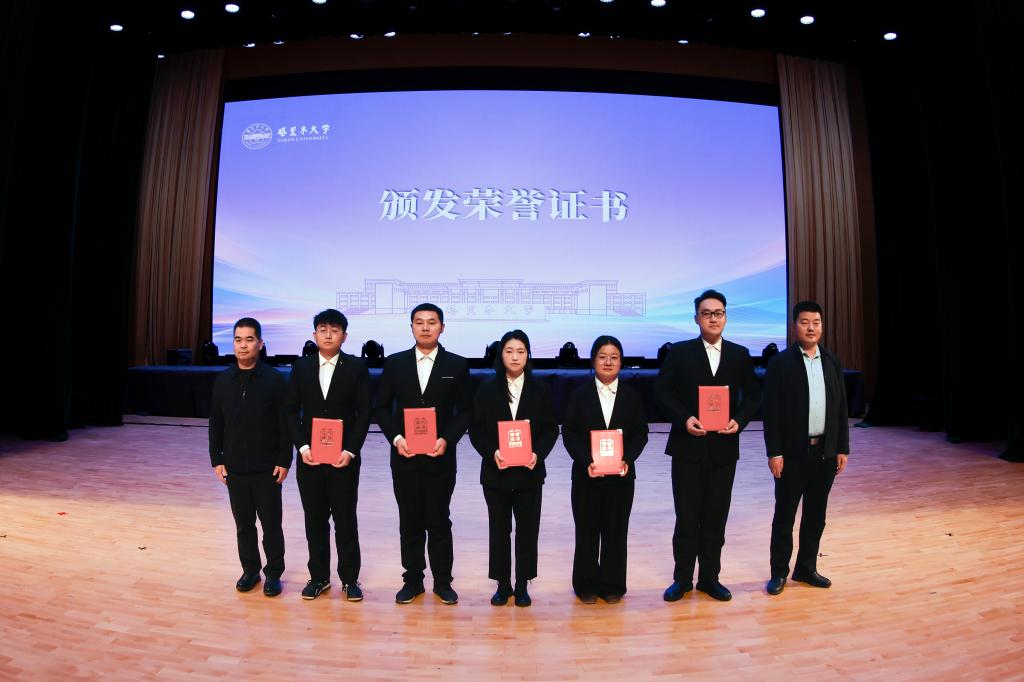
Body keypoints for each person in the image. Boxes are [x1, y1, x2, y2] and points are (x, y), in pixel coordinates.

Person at [655, 290, 761, 602]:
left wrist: (739, 421)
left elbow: (753, 395)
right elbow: (661, 392)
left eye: (718, 313)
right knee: (687, 517)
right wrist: (684, 418)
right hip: (687, 448)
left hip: (724, 449)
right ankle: (682, 579)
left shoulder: (740, 354)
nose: (713, 318)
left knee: (716, 516)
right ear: (696, 318)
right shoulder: (680, 353)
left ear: (725, 317)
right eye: (706, 313)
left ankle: (710, 578)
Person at [373, 303, 473, 605]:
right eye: (419, 322)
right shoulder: (395, 363)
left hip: (440, 457)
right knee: (410, 521)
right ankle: (413, 581)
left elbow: (466, 410)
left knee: (439, 520)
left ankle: (443, 582)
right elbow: (381, 407)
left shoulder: (456, 365)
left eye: (432, 322)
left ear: (442, 327)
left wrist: (447, 439)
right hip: (404, 457)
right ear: (411, 327)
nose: (425, 327)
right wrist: (396, 438)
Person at [763, 300, 849, 596]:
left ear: (821, 326)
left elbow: (841, 408)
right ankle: (779, 573)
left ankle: (806, 568)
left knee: (816, 515)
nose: (811, 328)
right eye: (805, 322)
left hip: (825, 453)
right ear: (794, 326)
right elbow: (771, 412)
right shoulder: (781, 363)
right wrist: (774, 452)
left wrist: (841, 447)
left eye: (816, 322)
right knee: (784, 515)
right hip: (791, 455)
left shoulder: (831, 361)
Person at [469, 330, 559, 607]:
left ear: (528, 355)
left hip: (529, 473)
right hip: (496, 473)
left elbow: (550, 430)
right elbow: (476, 429)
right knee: (499, 531)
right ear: (501, 355)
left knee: (527, 531)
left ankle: (522, 584)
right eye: (509, 351)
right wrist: (492, 452)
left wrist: (537, 454)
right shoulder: (487, 388)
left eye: (521, 351)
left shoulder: (541, 389)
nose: (515, 356)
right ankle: (502, 584)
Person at [286, 309, 372, 601]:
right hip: (310, 458)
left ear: (344, 336)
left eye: (334, 330)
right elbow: (290, 410)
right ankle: (319, 577)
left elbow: (365, 412)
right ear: (314, 335)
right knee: (315, 519)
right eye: (322, 329)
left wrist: (351, 450)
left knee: (345, 519)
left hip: (343, 458)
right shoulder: (301, 367)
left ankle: (349, 579)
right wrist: (302, 447)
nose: (328, 335)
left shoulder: (357, 367)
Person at [562, 336, 649, 604]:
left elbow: (641, 433)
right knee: (586, 531)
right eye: (602, 356)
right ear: (593, 360)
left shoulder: (632, 396)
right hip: (586, 475)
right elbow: (570, 433)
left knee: (616, 531)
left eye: (614, 357)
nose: (608, 362)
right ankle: (585, 584)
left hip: (621, 477)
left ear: (621, 362)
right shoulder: (579, 394)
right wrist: (585, 460)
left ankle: (613, 585)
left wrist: (628, 459)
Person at [208, 317, 291, 597]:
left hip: (267, 468)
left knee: (271, 526)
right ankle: (250, 570)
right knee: (243, 525)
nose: (243, 345)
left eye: (249, 339)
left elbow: (285, 425)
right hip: (235, 468)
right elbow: (215, 424)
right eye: (238, 340)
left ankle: (274, 574)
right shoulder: (223, 381)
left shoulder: (275, 380)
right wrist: (217, 459)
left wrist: (284, 460)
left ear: (261, 344)